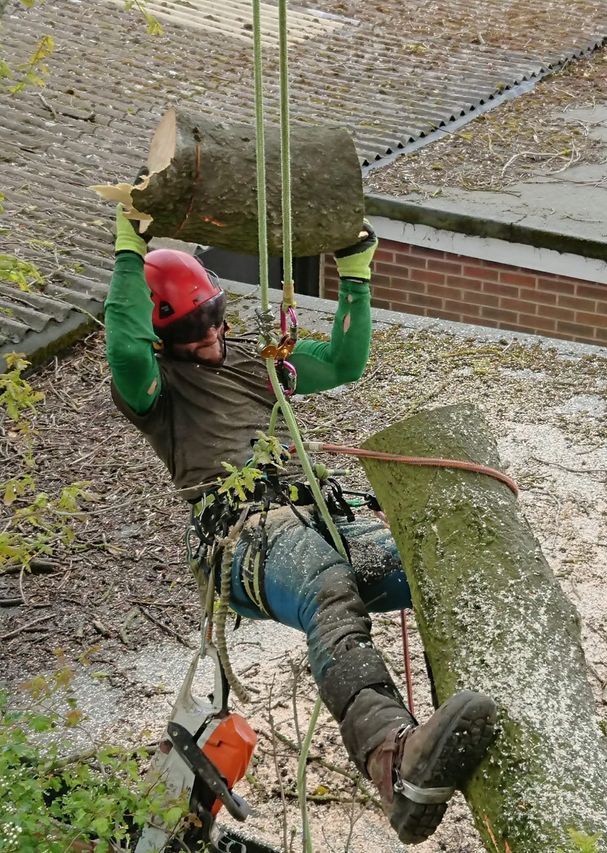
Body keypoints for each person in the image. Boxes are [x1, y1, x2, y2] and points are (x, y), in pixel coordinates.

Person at [105, 204, 497, 845]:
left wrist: (355, 274)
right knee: (326, 586)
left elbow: (344, 362)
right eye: (193, 335)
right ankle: (390, 759)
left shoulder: (254, 360)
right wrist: (129, 249)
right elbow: (121, 346)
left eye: (214, 323)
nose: (210, 340)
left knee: (426, 561)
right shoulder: (155, 387)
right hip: (238, 537)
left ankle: (474, 714)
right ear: (161, 341)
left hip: (311, 512)